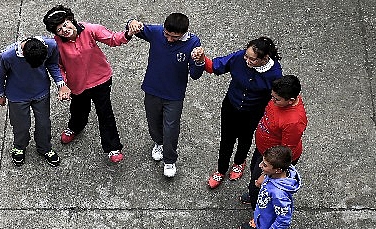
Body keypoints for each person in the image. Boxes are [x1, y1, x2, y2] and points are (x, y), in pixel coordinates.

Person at [43, 5, 138, 163]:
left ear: (71, 20)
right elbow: (58, 67)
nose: (64, 30)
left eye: (65, 24)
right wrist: (63, 85)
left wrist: (128, 33)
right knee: (78, 109)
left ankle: (113, 147)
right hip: (77, 84)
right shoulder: (56, 45)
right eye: (59, 29)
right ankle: (75, 127)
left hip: (101, 80)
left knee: (105, 114)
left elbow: (113, 39)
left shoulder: (90, 29)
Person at [192, 37, 283, 188]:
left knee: (245, 138)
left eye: (252, 59)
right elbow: (214, 66)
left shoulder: (275, 74)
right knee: (226, 139)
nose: (247, 60)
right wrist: (202, 58)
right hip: (231, 105)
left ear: (265, 58)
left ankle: (239, 162)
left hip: (253, 111)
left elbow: (276, 98)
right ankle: (221, 170)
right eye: (246, 56)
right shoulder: (239, 57)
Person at [126, 13, 204, 178]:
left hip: (174, 95)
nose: (169, 39)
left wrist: (199, 61)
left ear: (184, 33)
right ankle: (158, 143)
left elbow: (196, 74)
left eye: (174, 37)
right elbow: (134, 28)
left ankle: (169, 160)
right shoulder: (156, 32)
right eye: (166, 34)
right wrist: (131, 22)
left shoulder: (193, 43)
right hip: (152, 88)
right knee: (153, 122)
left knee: (171, 127)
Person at [239, 75, 308, 229]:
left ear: (290, 100)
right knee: (254, 179)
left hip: (273, 161)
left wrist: (266, 175)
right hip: (264, 152)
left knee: (261, 189)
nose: (272, 100)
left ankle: (260, 219)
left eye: (276, 99)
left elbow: (284, 155)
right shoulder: (282, 97)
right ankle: (254, 194)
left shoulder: (294, 122)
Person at [0, 36, 71, 167]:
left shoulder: (51, 45)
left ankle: (45, 148)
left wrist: (61, 84)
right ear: (23, 54)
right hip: (17, 96)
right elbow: (0, 76)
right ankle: (19, 147)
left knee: (44, 123)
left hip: (41, 93)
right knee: (21, 125)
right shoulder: (7, 56)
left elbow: (52, 64)